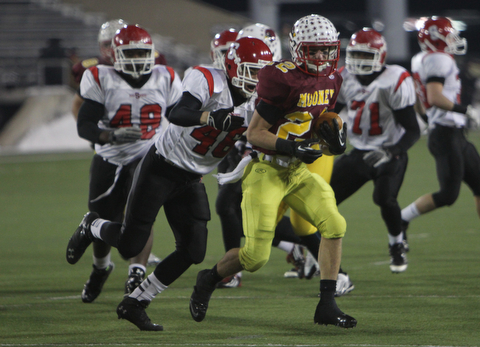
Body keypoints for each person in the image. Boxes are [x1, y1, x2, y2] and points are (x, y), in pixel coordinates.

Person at [66, 37, 274, 331]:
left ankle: (135, 302)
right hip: (162, 166)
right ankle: (92, 225)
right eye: (251, 71)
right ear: (231, 66)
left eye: (262, 73)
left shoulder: (263, 100)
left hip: (192, 176)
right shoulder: (207, 79)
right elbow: (177, 113)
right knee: (129, 244)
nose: (257, 80)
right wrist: (210, 117)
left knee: (193, 250)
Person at [189, 14, 357, 328]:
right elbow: (254, 133)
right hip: (266, 170)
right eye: (314, 50)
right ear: (298, 49)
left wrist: (335, 133)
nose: (321, 57)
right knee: (254, 258)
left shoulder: (334, 79)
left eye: (326, 50)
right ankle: (208, 279)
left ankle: (327, 304)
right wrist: (293, 148)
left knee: (334, 224)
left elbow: (320, 119)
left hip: (297, 172)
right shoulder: (282, 79)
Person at [66, 24, 182, 304]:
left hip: (148, 155)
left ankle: (136, 271)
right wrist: (109, 135)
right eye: (130, 53)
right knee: (105, 215)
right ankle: (100, 268)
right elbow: (84, 125)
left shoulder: (165, 76)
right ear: (115, 54)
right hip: (110, 156)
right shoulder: (99, 76)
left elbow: (181, 120)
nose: (137, 58)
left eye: (142, 52)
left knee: (142, 214)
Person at [330, 28, 420, 274]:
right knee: (323, 200)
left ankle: (396, 242)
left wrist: (392, 151)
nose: (359, 61)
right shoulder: (344, 77)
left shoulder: (394, 79)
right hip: (359, 151)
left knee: (384, 198)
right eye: (355, 54)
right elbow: (329, 114)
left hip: (389, 151)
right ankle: (311, 253)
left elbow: (412, 130)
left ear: (381, 57)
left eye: (365, 55)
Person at [401, 17, 480, 239]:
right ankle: (401, 218)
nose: (453, 39)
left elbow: (419, 99)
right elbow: (434, 97)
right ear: (436, 39)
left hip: (449, 132)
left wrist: (428, 120)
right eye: (448, 35)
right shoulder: (439, 59)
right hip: (446, 134)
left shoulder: (420, 59)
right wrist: (465, 110)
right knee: (448, 195)